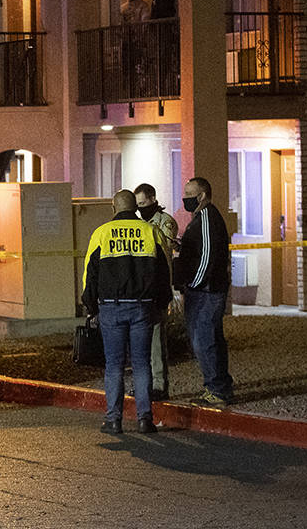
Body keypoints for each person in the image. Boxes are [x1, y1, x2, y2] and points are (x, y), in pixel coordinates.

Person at [81, 190, 172, 435]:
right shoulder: (150, 232)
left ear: (114, 207)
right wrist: (163, 304)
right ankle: (145, 419)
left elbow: (90, 274)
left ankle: (114, 420)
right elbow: (164, 273)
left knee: (114, 365)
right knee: (142, 363)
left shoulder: (101, 233)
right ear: (135, 208)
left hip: (111, 307)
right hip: (142, 306)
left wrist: (90, 307)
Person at [174, 176, 234, 406]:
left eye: (190, 195)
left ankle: (216, 390)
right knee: (210, 338)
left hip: (207, 291)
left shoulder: (207, 218)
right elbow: (200, 249)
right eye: (185, 194)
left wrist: (192, 284)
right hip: (204, 289)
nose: (186, 199)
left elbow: (207, 257)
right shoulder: (199, 218)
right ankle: (219, 384)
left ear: (203, 195)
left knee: (204, 340)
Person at [134, 183, 179, 399]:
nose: (140, 208)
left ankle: (159, 386)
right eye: (137, 205)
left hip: (158, 287)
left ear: (153, 199)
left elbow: (164, 254)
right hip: (141, 290)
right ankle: (145, 384)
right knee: (142, 343)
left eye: (143, 203)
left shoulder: (165, 222)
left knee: (156, 342)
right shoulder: (140, 223)